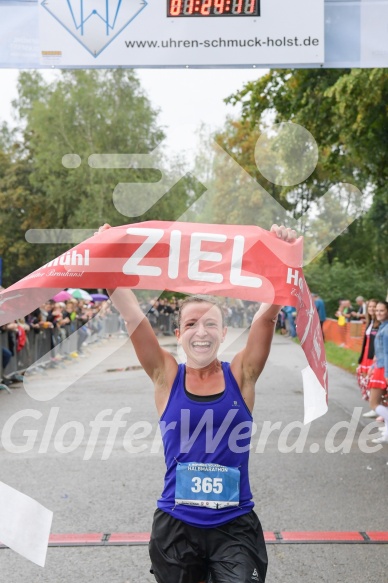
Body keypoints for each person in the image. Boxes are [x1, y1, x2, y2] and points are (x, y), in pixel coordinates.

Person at [98, 222, 297, 583]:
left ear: (223, 333)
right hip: (177, 529)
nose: (201, 331)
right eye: (191, 324)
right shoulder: (166, 375)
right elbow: (132, 315)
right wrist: (107, 255)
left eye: (210, 324)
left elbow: (266, 315)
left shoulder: (241, 375)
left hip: (234, 527)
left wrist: (284, 261)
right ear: (178, 334)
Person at [366, 301, 388, 444]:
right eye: (377, 310)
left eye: (382, 310)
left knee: (374, 403)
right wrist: (373, 365)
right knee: (382, 402)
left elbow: (386, 353)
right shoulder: (382, 326)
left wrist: (386, 373)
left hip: (384, 369)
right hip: (380, 367)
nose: (378, 312)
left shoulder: (386, 330)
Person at [356, 299, 379, 410]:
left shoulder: (380, 324)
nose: (372, 309)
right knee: (365, 380)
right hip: (365, 355)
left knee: (372, 381)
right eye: (370, 307)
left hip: (372, 357)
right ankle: (373, 406)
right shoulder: (369, 322)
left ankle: (377, 407)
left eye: (374, 307)